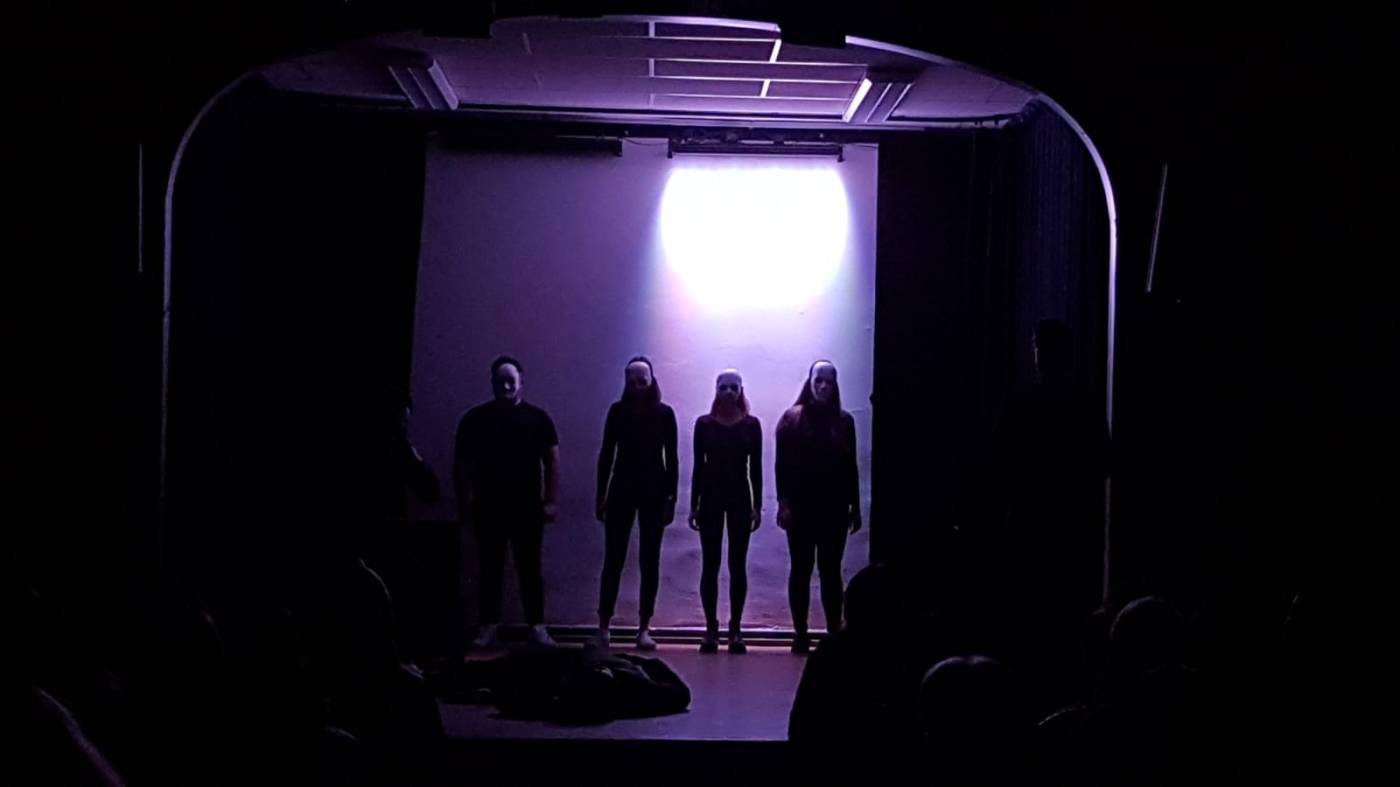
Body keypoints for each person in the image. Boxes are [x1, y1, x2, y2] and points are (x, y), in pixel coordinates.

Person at [453, 355, 560, 649]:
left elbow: (552, 461)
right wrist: (464, 505)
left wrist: (551, 501)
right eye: (501, 382)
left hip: (527, 509)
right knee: (489, 568)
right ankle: (489, 626)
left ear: (521, 382)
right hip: (488, 508)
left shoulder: (538, 419)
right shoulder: (475, 420)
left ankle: (537, 626)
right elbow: (461, 465)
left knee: (530, 569)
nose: (506, 386)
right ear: (492, 383)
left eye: (510, 381)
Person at [594, 356, 679, 651]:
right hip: (622, 489)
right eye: (632, 382)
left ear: (651, 381)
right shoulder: (617, 412)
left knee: (649, 559)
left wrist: (671, 499)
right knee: (613, 559)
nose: (637, 387)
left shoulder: (664, 414)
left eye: (642, 381)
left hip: (653, 491)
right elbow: (607, 454)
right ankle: (604, 626)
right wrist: (601, 495)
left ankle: (644, 627)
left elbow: (672, 459)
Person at [776, 360, 861, 653]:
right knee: (801, 570)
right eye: (818, 381)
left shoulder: (844, 422)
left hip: (833, 507)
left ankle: (833, 631)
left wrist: (855, 507)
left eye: (828, 382)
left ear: (835, 385)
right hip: (802, 507)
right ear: (810, 382)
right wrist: (783, 503)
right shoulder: (792, 419)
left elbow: (850, 467)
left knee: (830, 572)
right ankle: (800, 633)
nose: (823, 386)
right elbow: (782, 466)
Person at [689, 369, 763, 654]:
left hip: (739, 497)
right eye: (724, 388)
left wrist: (756, 506)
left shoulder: (751, 425)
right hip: (710, 497)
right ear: (716, 390)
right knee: (710, 564)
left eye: (734, 387)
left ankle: (735, 629)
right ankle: (711, 628)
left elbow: (756, 468)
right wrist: (693, 504)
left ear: (741, 390)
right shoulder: (704, 424)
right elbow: (698, 466)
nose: (729, 392)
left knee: (737, 565)